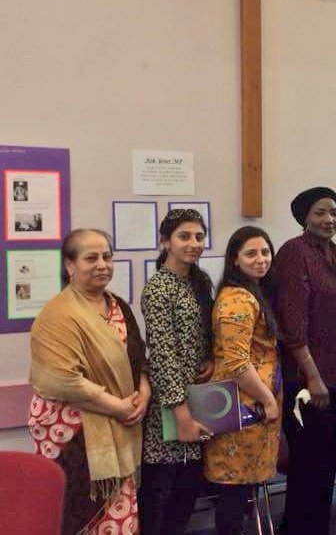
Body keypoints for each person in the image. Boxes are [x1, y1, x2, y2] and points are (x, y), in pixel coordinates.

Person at [28, 229, 149, 534]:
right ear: (69, 265)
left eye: (107, 257)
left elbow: (138, 359)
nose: (102, 264)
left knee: (119, 516)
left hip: (119, 430)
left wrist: (143, 394)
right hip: (72, 435)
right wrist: (118, 407)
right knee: (76, 515)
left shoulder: (118, 306)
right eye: (91, 258)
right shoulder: (57, 315)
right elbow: (61, 381)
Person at [273, 186, 336, 535]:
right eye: (320, 212)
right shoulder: (294, 252)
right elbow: (292, 324)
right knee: (307, 464)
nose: (329, 219)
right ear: (304, 216)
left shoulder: (331, 252)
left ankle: (315, 526)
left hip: (334, 372)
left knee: (324, 461)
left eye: (334, 211)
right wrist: (313, 377)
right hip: (307, 379)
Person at [139, 209, 215, 535]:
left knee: (187, 493)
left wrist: (210, 357)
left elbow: (201, 335)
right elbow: (163, 356)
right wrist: (181, 414)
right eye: (184, 236)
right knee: (160, 497)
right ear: (165, 241)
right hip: (169, 411)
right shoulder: (159, 288)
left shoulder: (196, 281)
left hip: (196, 400)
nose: (194, 243)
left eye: (199, 236)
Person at [204, 226, 282, 535]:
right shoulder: (237, 299)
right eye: (251, 253)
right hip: (240, 408)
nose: (261, 259)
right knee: (231, 493)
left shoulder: (252, 292)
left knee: (239, 492)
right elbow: (237, 363)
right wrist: (267, 399)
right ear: (235, 260)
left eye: (265, 252)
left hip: (248, 408)